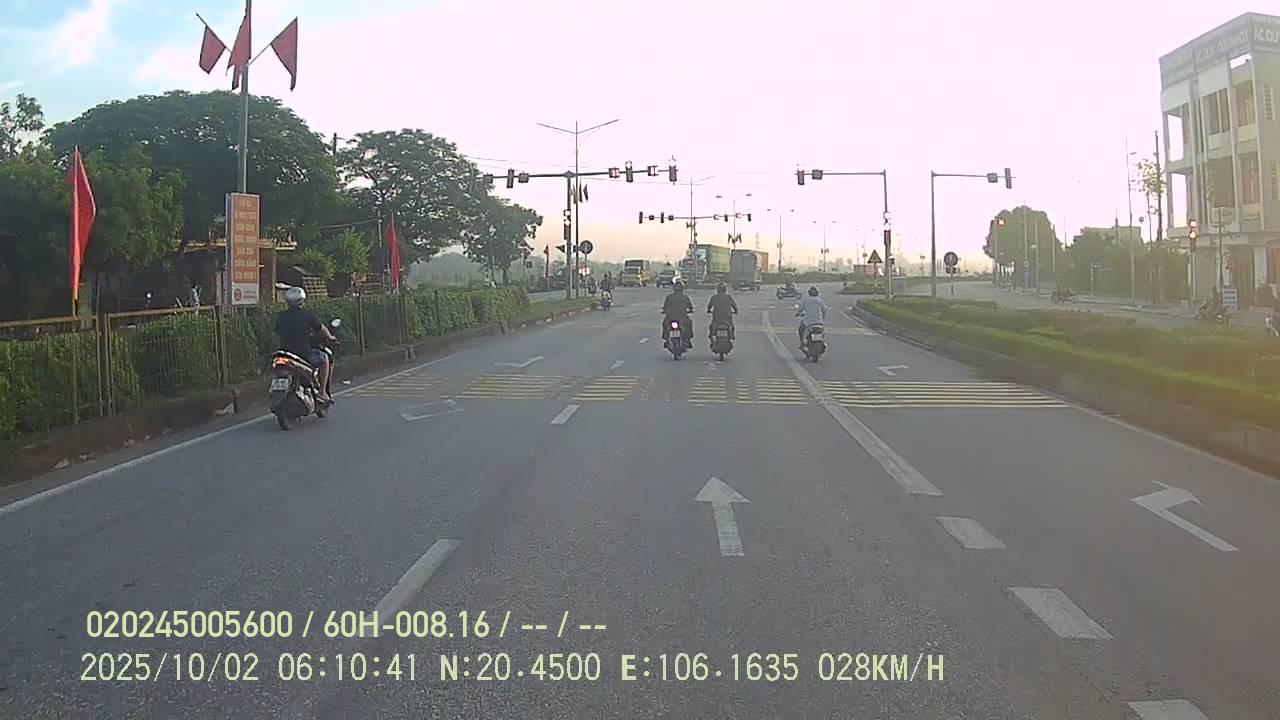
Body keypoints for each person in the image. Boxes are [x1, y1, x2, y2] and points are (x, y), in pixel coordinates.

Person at [275, 286, 336, 403]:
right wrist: (330, 337)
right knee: (324, 359)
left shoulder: (281, 316)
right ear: (302, 301)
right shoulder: (308, 315)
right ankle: (322, 392)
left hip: (284, 353)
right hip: (303, 353)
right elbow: (321, 329)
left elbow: (277, 332)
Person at [661, 280, 695, 348]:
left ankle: (666, 339)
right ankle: (688, 340)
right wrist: (690, 310)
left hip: (671, 317)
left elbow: (665, 307)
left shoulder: (669, 297)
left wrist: (664, 311)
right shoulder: (685, 297)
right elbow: (690, 307)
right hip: (681, 317)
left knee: (665, 324)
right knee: (689, 323)